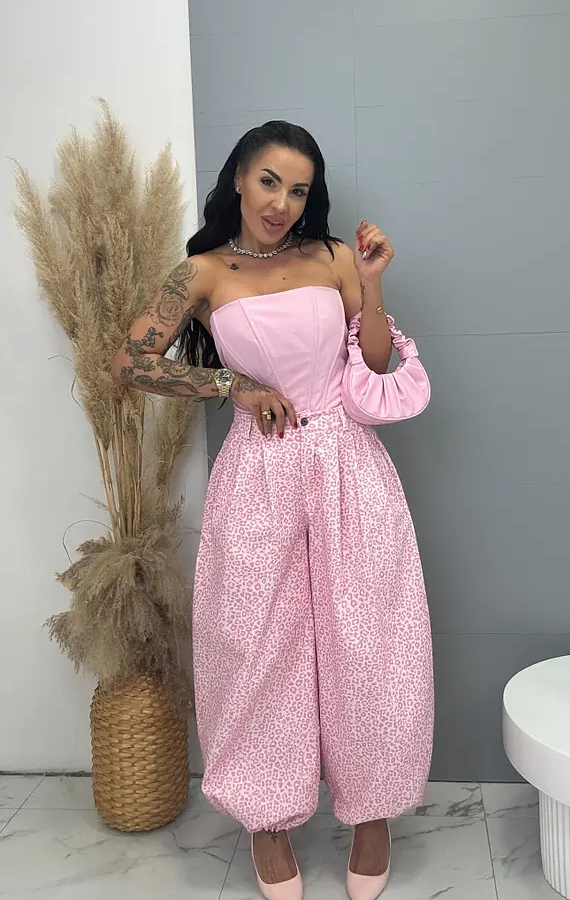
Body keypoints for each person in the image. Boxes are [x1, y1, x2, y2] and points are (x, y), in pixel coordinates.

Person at [112, 120, 434, 900]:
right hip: (256, 475)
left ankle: (372, 816)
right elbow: (130, 362)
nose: (280, 202)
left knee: (372, 644)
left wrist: (372, 282)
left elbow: (374, 364)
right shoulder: (199, 273)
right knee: (255, 650)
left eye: (297, 190)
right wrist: (231, 384)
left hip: (348, 466)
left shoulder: (333, 257)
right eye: (267, 181)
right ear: (237, 178)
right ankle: (268, 823)